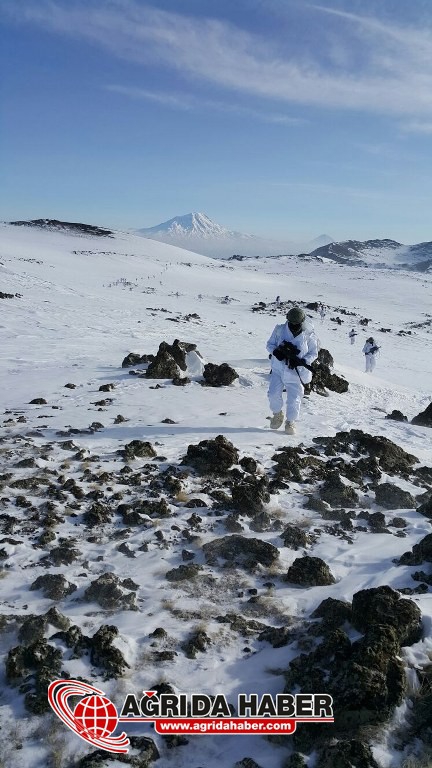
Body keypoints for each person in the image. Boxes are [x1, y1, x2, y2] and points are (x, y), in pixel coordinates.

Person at [266, 306, 318, 434]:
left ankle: (290, 422)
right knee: (273, 394)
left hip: (295, 372)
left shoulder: (309, 336)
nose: (294, 325)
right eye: (292, 322)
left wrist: (303, 361)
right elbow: (270, 344)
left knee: (294, 400)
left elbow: (313, 353)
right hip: (278, 369)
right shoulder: (279, 330)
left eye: (297, 323)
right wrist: (276, 352)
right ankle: (277, 414)